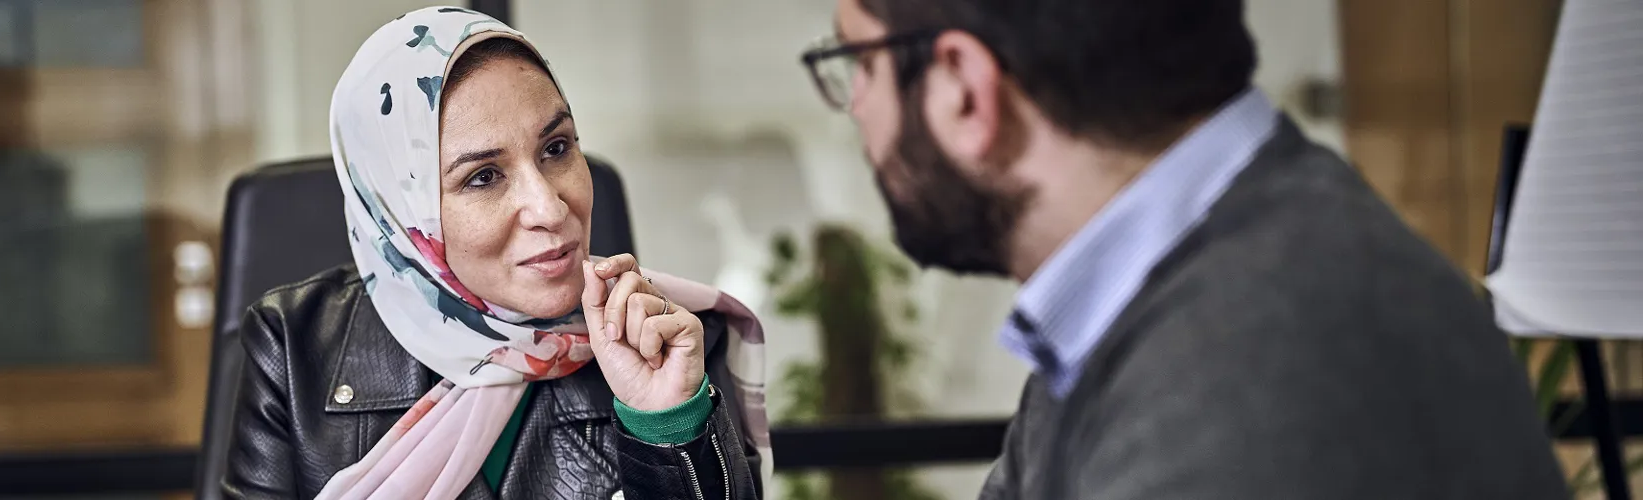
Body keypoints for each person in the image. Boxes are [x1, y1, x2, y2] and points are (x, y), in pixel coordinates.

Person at [803, 0, 1570, 498]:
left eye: (860, 65)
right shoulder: (1143, 301)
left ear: (964, 88)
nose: (857, 108)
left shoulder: (1259, 364)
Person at [223, 7, 768, 499]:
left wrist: (667, 425)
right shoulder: (294, 347)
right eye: (483, 177)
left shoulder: (675, 340)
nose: (550, 209)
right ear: (402, 214)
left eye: (556, 149)